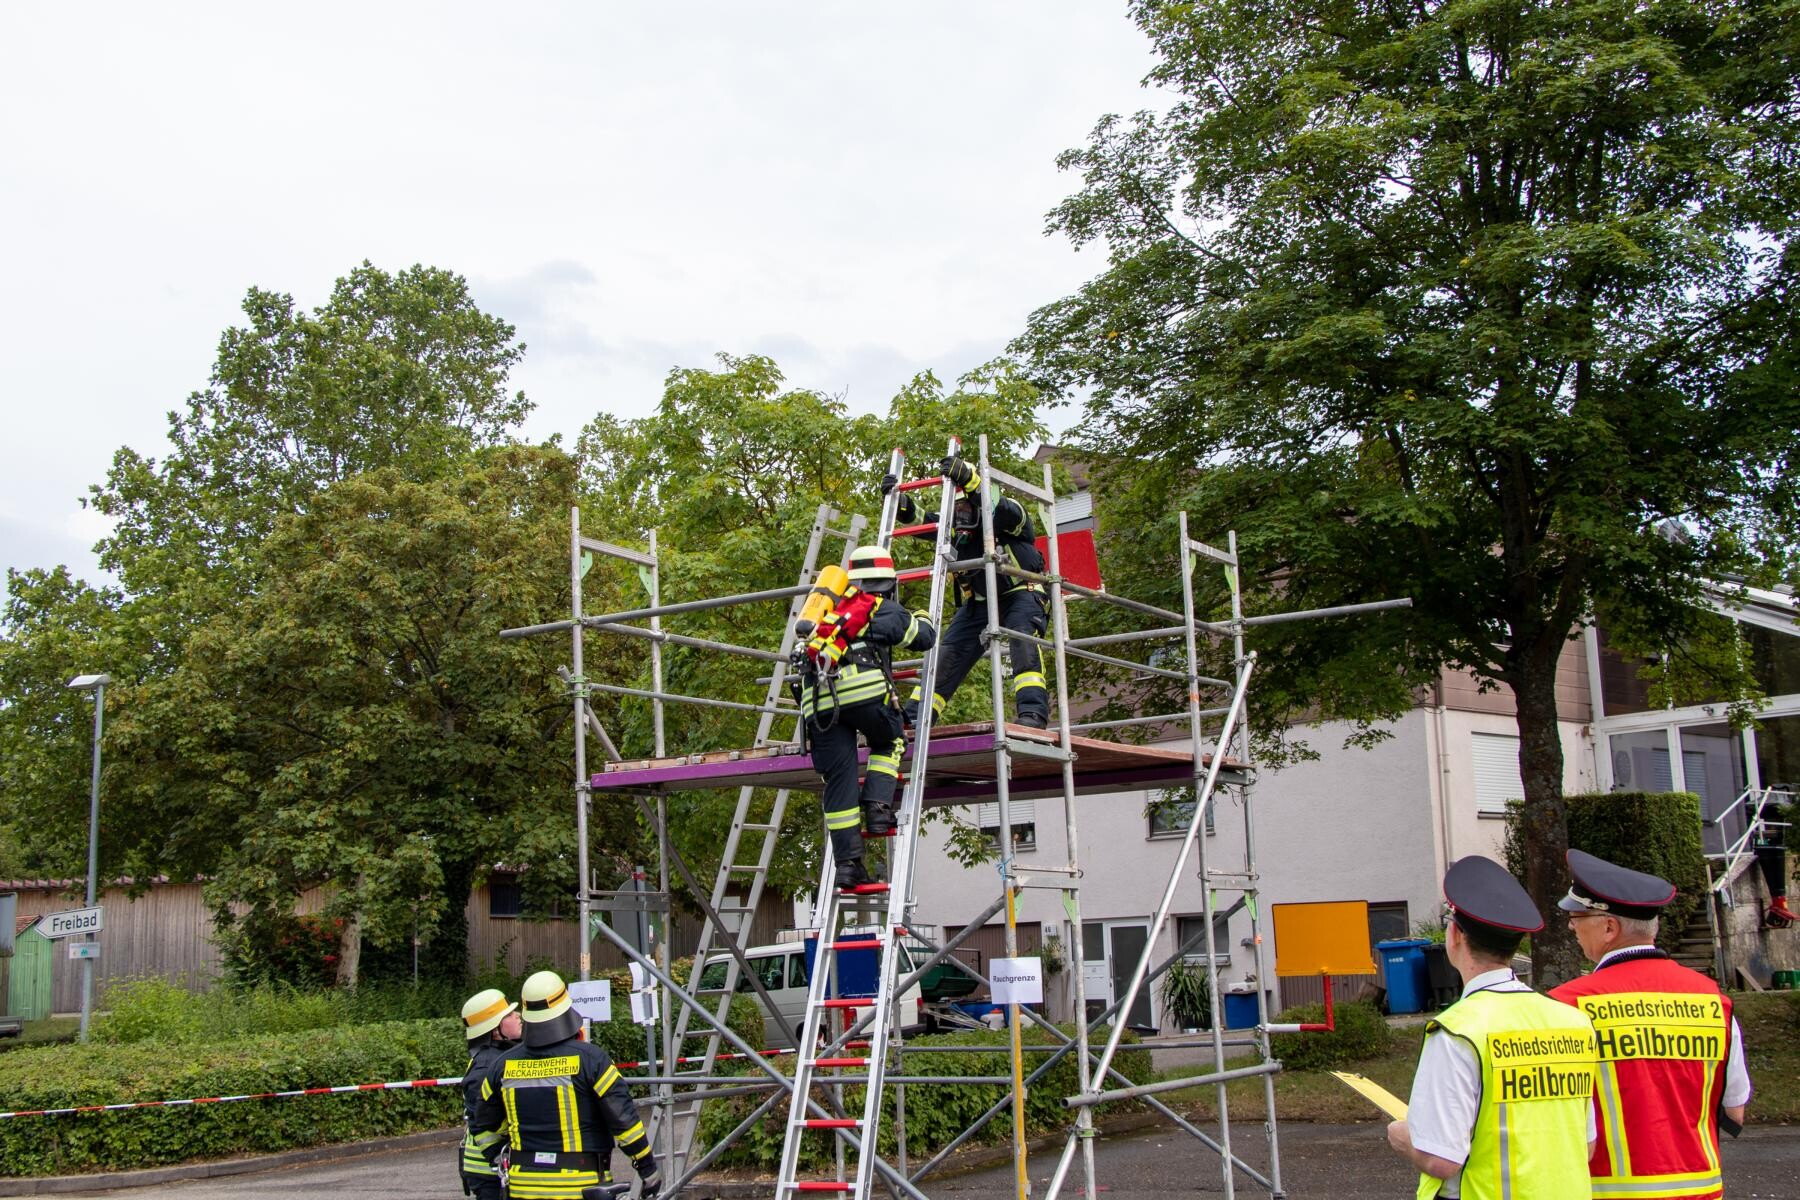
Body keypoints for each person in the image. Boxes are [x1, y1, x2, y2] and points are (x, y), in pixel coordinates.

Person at [1386, 856, 1600, 1199]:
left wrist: (1404, 1137)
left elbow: (1441, 1159)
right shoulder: (1572, 1023)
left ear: (1454, 936)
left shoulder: (1458, 1031)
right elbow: (1585, 1144)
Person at [1549, 849, 1752, 1200]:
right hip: (1702, 1191)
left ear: (1609, 927)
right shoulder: (1713, 1000)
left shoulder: (1565, 1005)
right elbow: (1734, 1110)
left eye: (1578, 917)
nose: (1571, 926)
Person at [797, 544, 936, 891]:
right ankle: (877, 809)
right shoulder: (877, 608)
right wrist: (923, 614)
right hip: (863, 694)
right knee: (890, 740)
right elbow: (924, 638)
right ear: (886, 584)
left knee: (839, 781)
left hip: (818, 705)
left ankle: (847, 866)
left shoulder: (826, 615)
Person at [471, 970, 661, 1200]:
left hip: (523, 1188)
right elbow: (624, 1122)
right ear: (565, 1007)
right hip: (581, 1186)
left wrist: (497, 1157)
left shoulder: (501, 1066)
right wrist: (647, 1169)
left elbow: (482, 1125)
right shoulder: (591, 1060)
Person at [891, 454, 1049, 730]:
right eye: (958, 507)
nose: (961, 514)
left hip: (1020, 593)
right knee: (947, 655)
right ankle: (917, 715)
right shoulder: (956, 525)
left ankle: (1033, 713)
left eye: (967, 505)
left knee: (1021, 637)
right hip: (977, 603)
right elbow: (925, 521)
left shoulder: (1008, 513)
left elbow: (1002, 510)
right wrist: (902, 506)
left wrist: (971, 482)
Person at [459, 988, 521, 1199]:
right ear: (496, 1029)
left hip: (494, 1169)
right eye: (510, 1015)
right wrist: (499, 1156)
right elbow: (480, 1121)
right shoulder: (486, 1066)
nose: (518, 1016)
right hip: (489, 1172)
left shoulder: (497, 1056)